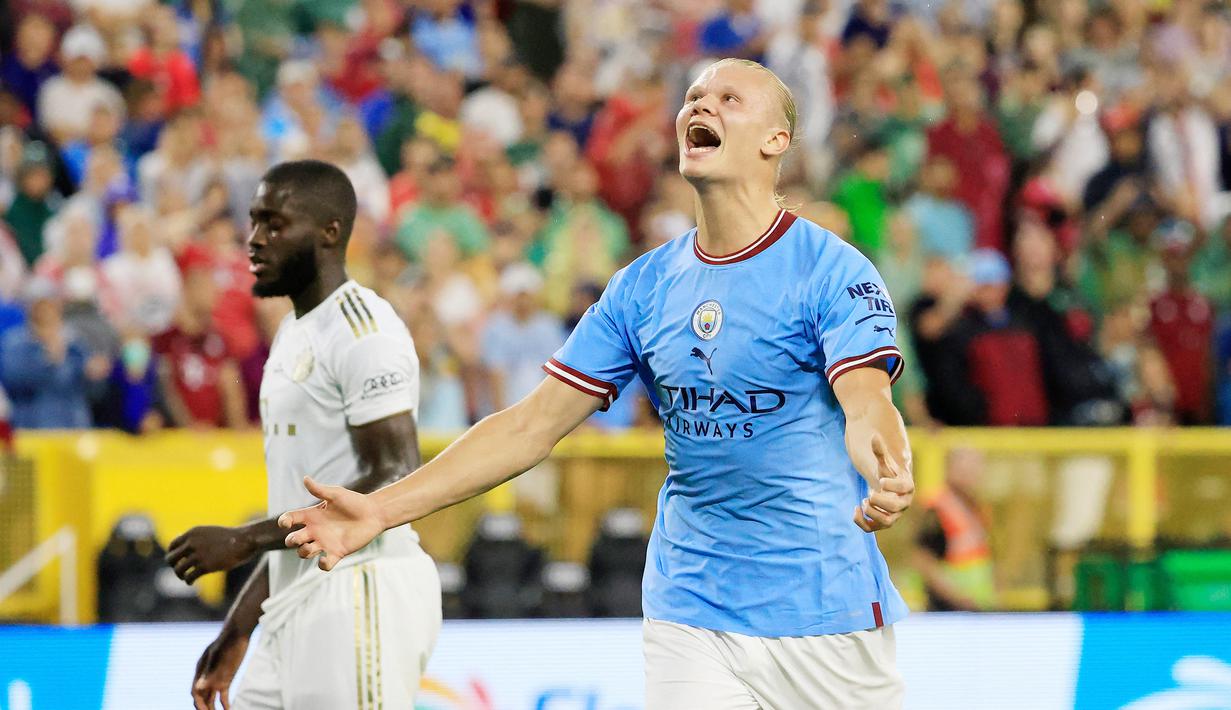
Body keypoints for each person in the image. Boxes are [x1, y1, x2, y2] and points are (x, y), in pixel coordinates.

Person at [281, 59, 914, 708]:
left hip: (822, 608)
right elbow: (529, 426)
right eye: (693, 96)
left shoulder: (829, 270)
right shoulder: (642, 288)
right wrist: (381, 510)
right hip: (690, 605)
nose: (700, 106)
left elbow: (865, 399)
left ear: (774, 141)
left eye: (728, 98)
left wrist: (887, 465)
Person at [165, 160, 440, 710]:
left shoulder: (364, 330)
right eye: (253, 223)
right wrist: (241, 624)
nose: (254, 240)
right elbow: (300, 492)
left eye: (273, 224)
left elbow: (395, 473)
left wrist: (243, 540)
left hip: (360, 592)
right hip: (295, 604)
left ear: (329, 233)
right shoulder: (294, 331)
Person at [913, 447, 996, 611]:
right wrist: (958, 598)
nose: (971, 474)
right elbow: (925, 561)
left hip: (976, 607)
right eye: (965, 468)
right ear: (949, 468)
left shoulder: (977, 507)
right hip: (946, 609)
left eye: (975, 467)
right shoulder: (937, 508)